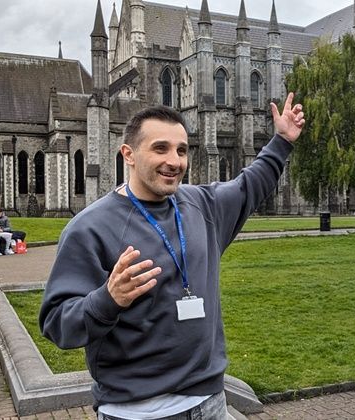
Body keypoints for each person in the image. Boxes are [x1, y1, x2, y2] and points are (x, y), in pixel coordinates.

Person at [39, 93, 304, 419]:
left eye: (181, 150)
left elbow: (250, 185)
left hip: (209, 403)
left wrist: (282, 141)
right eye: (160, 148)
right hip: (135, 412)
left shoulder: (203, 206)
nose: (175, 161)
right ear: (129, 155)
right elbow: (57, 324)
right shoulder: (89, 228)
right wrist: (108, 299)